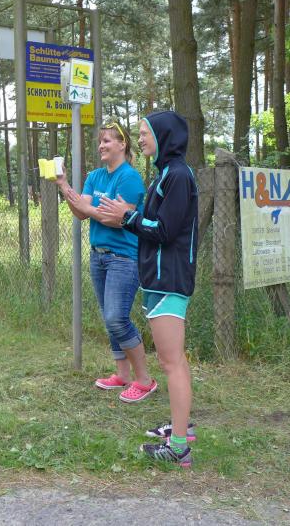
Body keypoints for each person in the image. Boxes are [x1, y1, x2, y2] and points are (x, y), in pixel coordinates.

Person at [98, 110, 198, 467]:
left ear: (163, 136)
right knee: (174, 361)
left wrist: (125, 217)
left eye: (144, 133)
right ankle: (182, 427)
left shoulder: (179, 176)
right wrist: (128, 217)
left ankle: (179, 447)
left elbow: (165, 230)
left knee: (171, 363)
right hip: (159, 278)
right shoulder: (166, 174)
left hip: (169, 278)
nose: (139, 139)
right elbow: (156, 224)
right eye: (139, 133)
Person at [54, 119, 156, 403]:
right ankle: (122, 375)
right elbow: (81, 212)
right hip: (98, 256)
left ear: (122, 144)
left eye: (107, 140)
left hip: (124, 257)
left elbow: (119, 219)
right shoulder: (96, 176)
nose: (101, 145)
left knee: (116, 317)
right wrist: (64, 185)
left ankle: (145, 380)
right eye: (100, 141)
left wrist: (90, 208)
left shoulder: (129, 178)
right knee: (108, 317)